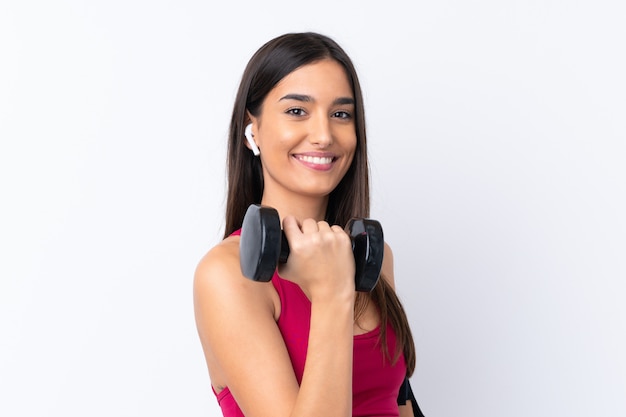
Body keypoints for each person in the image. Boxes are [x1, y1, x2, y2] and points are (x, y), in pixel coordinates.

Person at [194, 32, 424, 417]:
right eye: (297, 111)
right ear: (253, 130)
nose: (323, 135)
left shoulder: (375, 257)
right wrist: (332, 293)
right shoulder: (226, 276)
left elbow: (399, 405)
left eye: (341, 114)